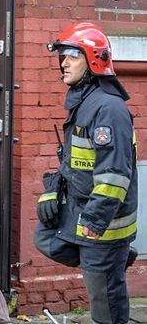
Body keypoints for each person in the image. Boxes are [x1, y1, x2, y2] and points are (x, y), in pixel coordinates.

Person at [34, 22, 138, 324]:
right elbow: (75, 163)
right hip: (80, 211)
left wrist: (95, 218)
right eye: (62, 56)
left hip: (103, 224)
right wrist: (53, 191)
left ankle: (110, 265)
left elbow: (115, 173)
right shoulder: (85, 103)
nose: (63, 63)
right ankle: (112, 265)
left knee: (104, 302)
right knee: (45, 237)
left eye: (72, 56)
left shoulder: (108, 108)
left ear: (93, 60)